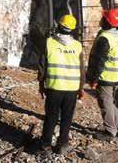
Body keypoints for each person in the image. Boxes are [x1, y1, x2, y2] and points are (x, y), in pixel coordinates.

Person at [37, 14, 84, 156]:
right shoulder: (77, 45)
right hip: (71, 89)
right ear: (72, 29)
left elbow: (42, 67)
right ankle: (63, 144)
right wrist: (81, 88)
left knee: (51, 117)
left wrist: (41, 84)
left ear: (59, 26)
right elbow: (82, 69)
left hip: (54, 87)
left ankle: (45, 145)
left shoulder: (49, 43)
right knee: (67, 118)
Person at [86, 8, 118, 140]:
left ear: (106, 21)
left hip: (106, 77)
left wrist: (93, 78)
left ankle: (110, 131)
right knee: (109, 102)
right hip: (117, 76)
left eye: (103, 17)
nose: (101, 19)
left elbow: (99, 61)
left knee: (105, 104)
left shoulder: (105, 38)